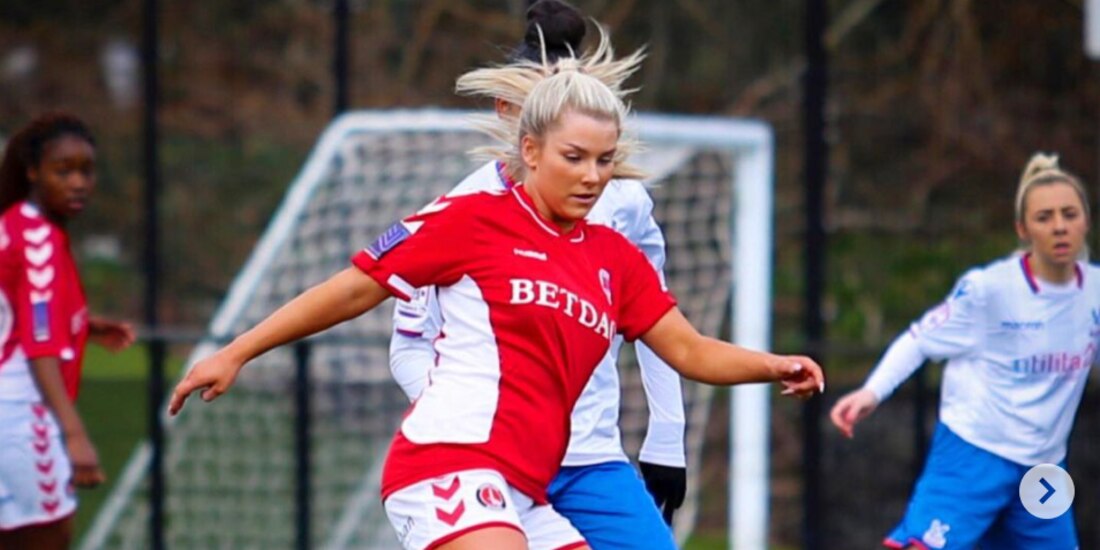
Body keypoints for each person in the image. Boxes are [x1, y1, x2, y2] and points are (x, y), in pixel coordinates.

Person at [171, 53, 825, 550]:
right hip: (450, 463)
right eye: (575, 157)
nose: (593, 176)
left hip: (526, 489)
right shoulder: (473, 219)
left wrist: (773, 365)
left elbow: (688, 349)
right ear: (531, 150)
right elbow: (352, 288)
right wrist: (236, 352)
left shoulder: (613, 259)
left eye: (605, 160)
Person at [388, 3, 687, 547]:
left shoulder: (622, 202)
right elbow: (407, 344)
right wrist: (486, 418)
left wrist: (668, 438)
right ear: (512, 115)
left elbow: (663, 326)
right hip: (489, 460)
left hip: (592, 459)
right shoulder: (464, 211)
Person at [830, 153, 1091, 550]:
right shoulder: (989, 290)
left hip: (1043, 468)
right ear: (1023, 229)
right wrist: (873, 391)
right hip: (974, 454)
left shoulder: (1094, 293)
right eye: (1044, 217)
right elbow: (919, 340)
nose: (1059, 227)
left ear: (1085, 221)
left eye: (1069, 214)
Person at [0, 112, 136, 550]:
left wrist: (83, 326)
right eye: (64, 171)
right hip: (21, 413)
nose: (79, 182)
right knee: (50, 538)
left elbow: (20, 313)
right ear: (33, 171)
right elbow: (39, 345)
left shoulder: (14, 224)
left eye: (86, 171)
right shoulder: (38, 241)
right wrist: (74, 435)